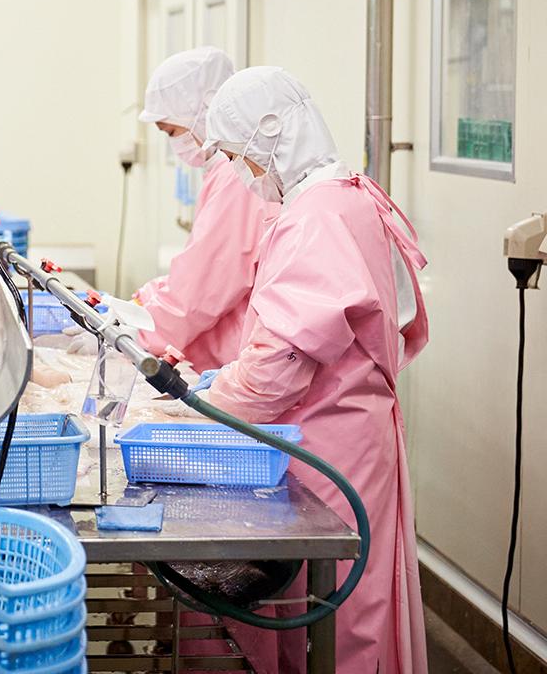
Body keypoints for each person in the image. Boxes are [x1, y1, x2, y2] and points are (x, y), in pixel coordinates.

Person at [197, 66, 430, 674]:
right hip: (349, 432)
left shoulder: (317, 217)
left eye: (240, 157)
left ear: (272, 134)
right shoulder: (344, 194)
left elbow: (275, 371)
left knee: (337, 616)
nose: (243, 174)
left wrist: (202, 404)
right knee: (344, 601)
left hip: (331, 447)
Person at [131, 47, 278, 370]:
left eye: (172, 132)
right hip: (229, 354)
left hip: (236, 358)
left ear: (203, 112)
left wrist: (134, 334)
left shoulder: (237, 176)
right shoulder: (227, 170)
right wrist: (144, 303)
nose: (175, 144)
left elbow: (203, 287)